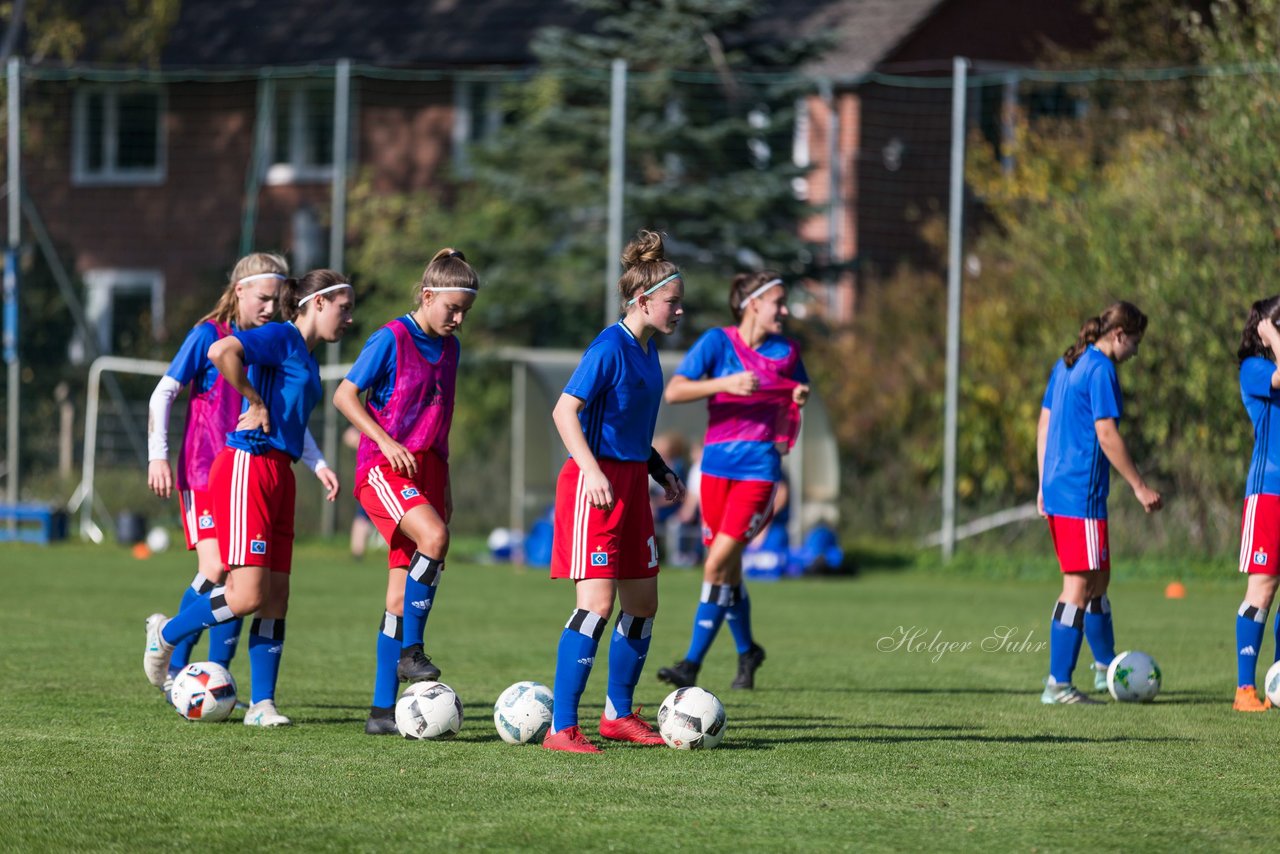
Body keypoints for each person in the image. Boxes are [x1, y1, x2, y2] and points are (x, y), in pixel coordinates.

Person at [143, 269, 351, 726]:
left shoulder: (308, 359)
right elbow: (222, 350)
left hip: (281, 473)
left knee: (277, 597)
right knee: (246, 594)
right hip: (248, 467)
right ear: (317, 303)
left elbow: (290, 417)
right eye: (344, 307)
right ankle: (169, 633)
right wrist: (252, 401)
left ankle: (262, 705)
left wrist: (317, 464)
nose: (349, 318)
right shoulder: (281, 335)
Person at [542, 230, 685, 753]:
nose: (679, 311)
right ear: (643, 300)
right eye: (673, 302)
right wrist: (594, 472)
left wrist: (659, 470)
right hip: (594, 488)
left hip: (629, 484)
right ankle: (561, 727)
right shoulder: (608, 346)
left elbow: (630, 430)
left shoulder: (648, 353)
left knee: (643, 603)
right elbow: (565, 412)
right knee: (597, 604)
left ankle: (617, 715)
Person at [332, 248, 479, 735]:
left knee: (398, 597)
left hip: (429, 473)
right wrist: (385, 441)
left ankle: (379, 712)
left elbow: (440, 424)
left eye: (465, 312)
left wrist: (447, 483)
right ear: (427, 294)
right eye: (451, 308)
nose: (458, 319)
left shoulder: (451, 349)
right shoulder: (392, 338)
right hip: (385, 470)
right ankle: (411, 654)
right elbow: (344, 395)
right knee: (434, 540)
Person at [656, 271, 810, 691]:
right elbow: (675, 392)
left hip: (758, 473)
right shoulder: (716, 343)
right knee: (729, 569)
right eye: (778, 302)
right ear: (752, 304)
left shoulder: (787, 350)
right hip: (715, 472)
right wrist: (727, 383)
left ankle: (690, 663)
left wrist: (799, 395)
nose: (785, 310)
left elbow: (799, 389)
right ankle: (747, 651)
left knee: (715, 564)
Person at [1037, 301, 1162, 705]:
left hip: (1061, 488)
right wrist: (1140, 487)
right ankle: (1058, 683)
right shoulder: (1100, 369)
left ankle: (1106, 668)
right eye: (1136, 343)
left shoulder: (1068, 362)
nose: (1137, 352)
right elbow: (1106, 434)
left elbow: (1044, 422)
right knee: (1079, 585)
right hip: (1079, 494)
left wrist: (1043, 482)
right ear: (1120, 335)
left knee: (1098, 582)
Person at [1232, 298, 1280, 711]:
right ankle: (1244, 690)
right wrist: (1271, 334)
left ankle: (1277, 681)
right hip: (1267, 494)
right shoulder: (1254, 368)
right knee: (1262, 590)